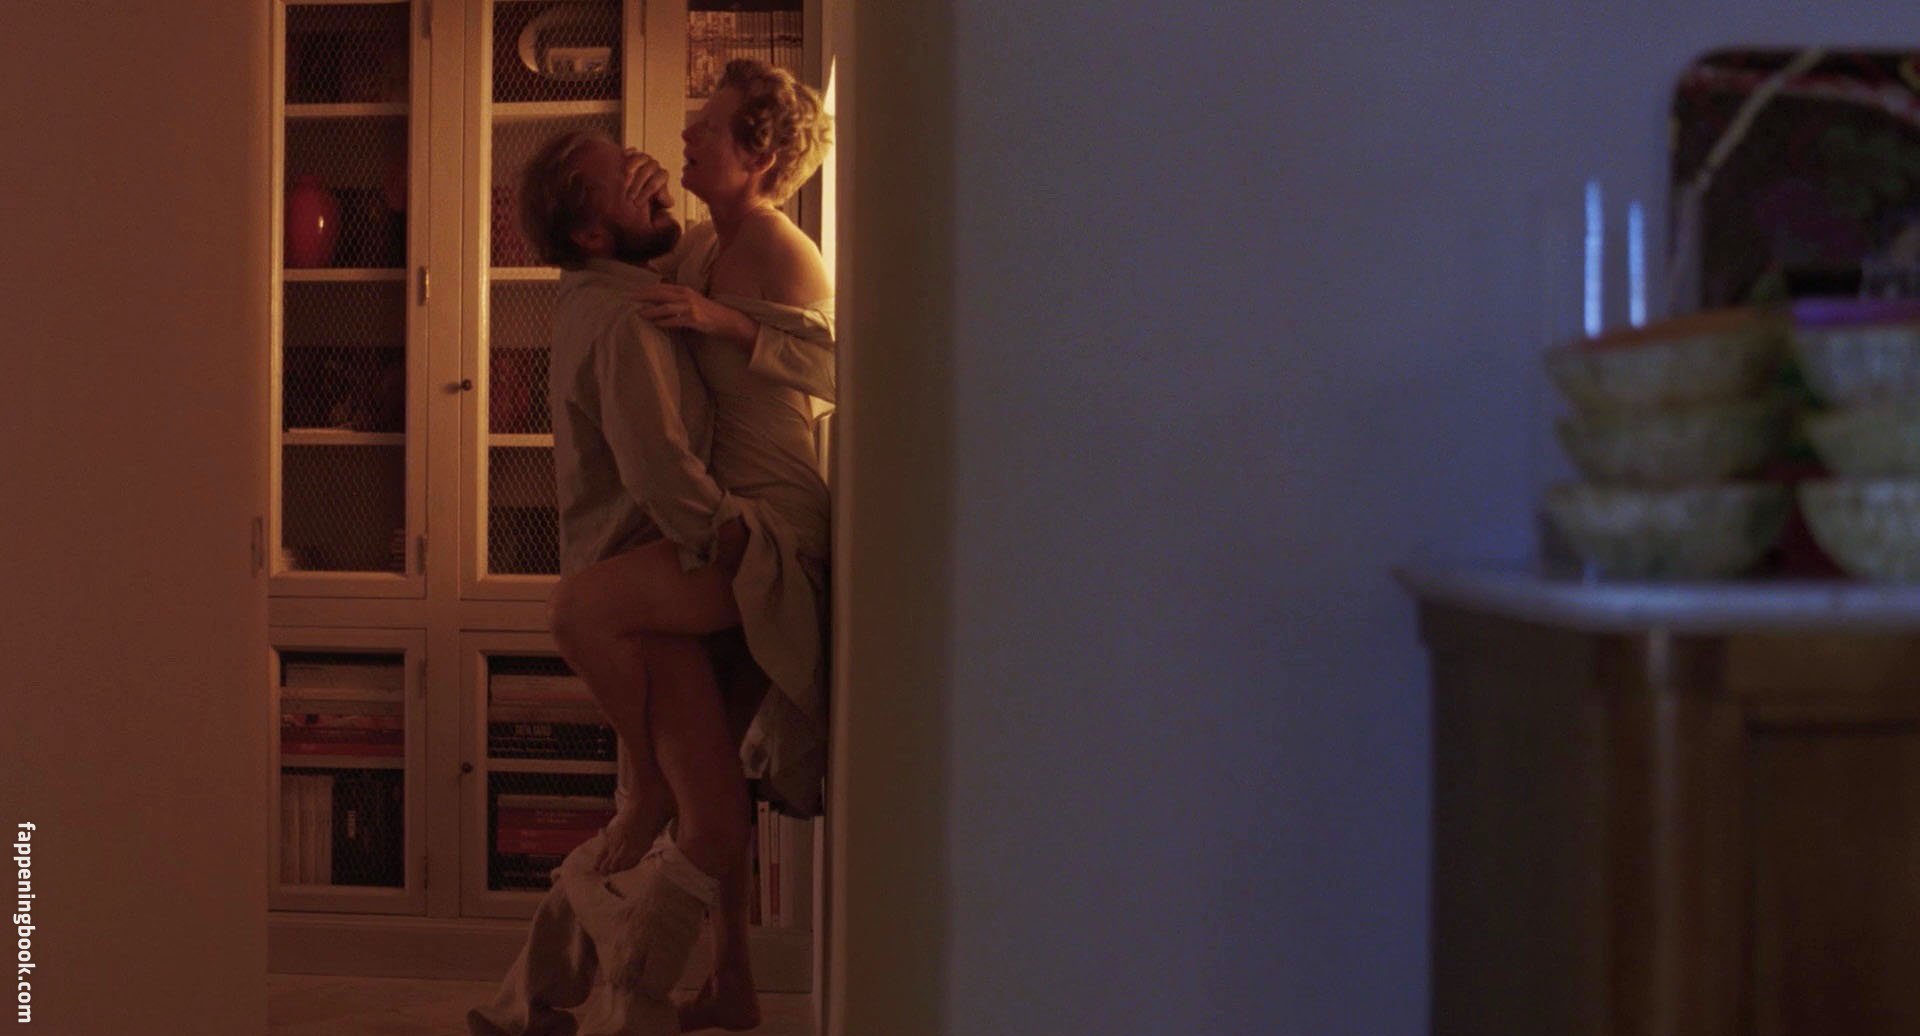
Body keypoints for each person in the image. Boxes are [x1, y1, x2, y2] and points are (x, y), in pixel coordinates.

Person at [470, 58, 834, 1035]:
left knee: (677, 796)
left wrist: (726, 323)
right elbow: (624, 282)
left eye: (705, 127)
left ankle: (569, 996)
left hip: (751, 527)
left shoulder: (779, 250)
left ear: (759, 156)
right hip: (702, 533)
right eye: (637, 163)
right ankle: (713, 985)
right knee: (697, 799)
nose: (671, 145)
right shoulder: (693, 249)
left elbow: (846, 362)